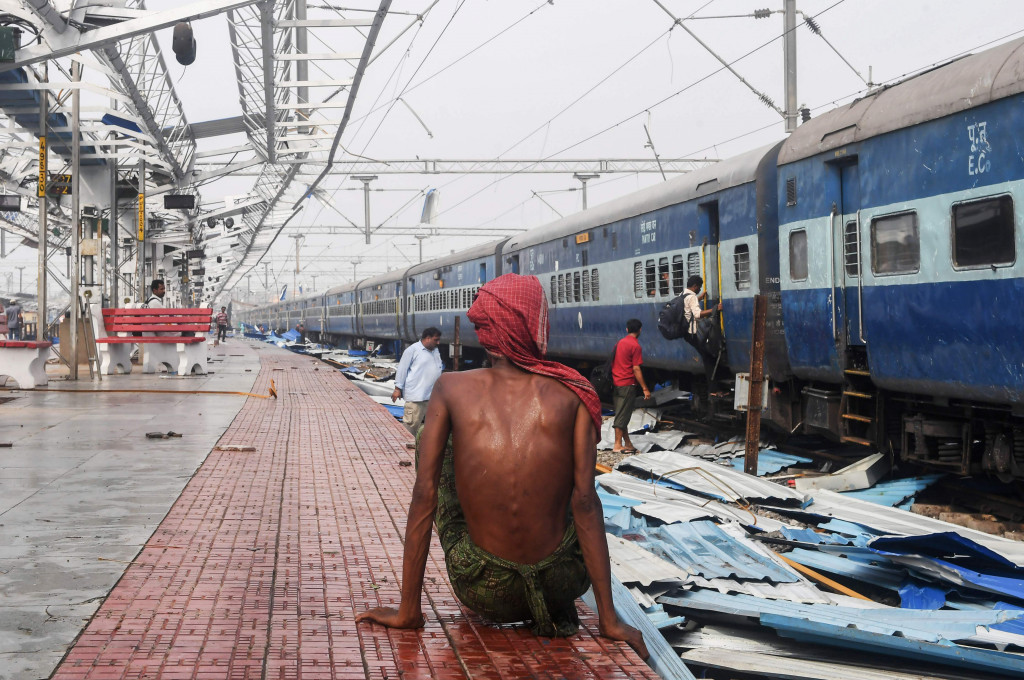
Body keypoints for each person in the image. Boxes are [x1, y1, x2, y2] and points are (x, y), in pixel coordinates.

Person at [358, 274, 647, 659]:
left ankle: (411, 608)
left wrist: (410, 608)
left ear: (489, 331)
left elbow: (425, 495)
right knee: (573, 482)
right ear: (534, 325)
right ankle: (589, 604)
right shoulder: (574, 392)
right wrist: (608, 619)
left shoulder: (450, 388)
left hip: (481, 583)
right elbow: (585, 504)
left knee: (439, 456)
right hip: (558, 580)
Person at [391, 327, 443, 435]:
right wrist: (397, 389)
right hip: (416, 398)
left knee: (429, 426)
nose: (438, 342)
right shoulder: (412, 350)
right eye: (436, 340)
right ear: (428, 338)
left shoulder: (435, 351)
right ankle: (405, 449)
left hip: (431, 397)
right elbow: (402, 370)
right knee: (411, 426)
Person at [610, 318, 651, 454]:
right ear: (640, 330)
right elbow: (636, 369)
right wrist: (645, 388)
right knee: (622, 415)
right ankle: (617, 445)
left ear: (627, 330)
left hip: (617, 382)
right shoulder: (635, 346)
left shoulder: (620, 342)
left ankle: (627, 443)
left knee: (623, 413)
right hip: (627, 383)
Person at [682, 275, 724, 378]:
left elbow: (690, 303)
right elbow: (697, 314)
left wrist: (700, 297)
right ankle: (713, 389)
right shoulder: (692, 297)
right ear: (695, 286)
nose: (700, 289)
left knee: (706, 355)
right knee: (708, 357)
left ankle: (713, 389)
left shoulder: (683, 294)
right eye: (699, 287)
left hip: (686, 332)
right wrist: (715, 309)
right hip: (693, 332)